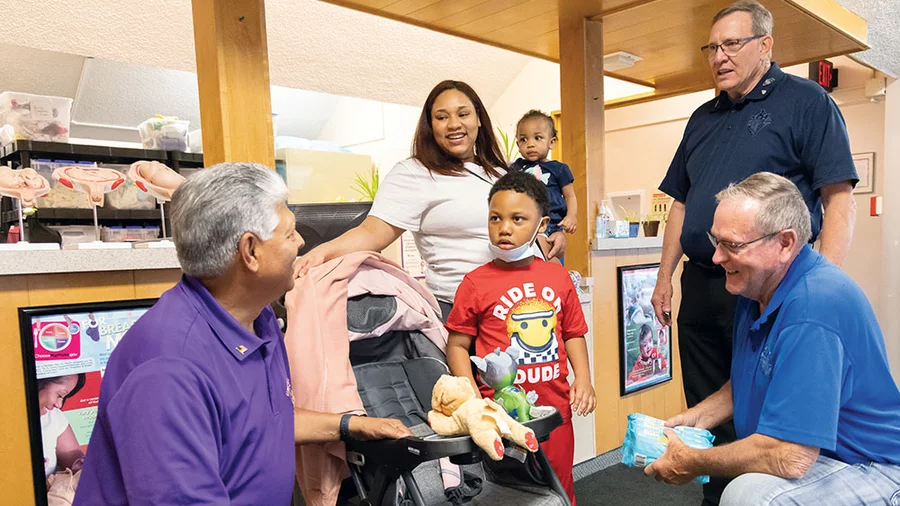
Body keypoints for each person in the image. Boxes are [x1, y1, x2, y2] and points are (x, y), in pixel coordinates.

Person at [73, 163, 411, 506]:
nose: (301, 242)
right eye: (290, 233)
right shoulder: (168, 371)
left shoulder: (257, 317)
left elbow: (261, 422)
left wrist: (349, 425)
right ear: (250, 251)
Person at [650, 2, 858, 502]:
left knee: (767, 411)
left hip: (769, 286)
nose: (719, 57)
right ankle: (714, 497)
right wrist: (664, 276)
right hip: (702, 283)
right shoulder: (701, 117)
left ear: (765, 45)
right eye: (712, 47)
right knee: (709, 406)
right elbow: (681, 202)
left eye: (732, 44)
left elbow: (838, 198)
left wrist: (817, 287)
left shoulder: (808, 102)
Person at [645, 172, 900, 505]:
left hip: (873, 467)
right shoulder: (757, 289)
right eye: (716, 240)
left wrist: (692, 461)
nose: (717, 257)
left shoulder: (814, 306)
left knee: (749, 496)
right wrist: (695, 419)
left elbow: (789, 455)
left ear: (785, 243)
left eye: (732, 245)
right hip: (822, 455)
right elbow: (750, 379)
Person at [294, 81, 567, 321]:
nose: (454, 124)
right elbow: (371, 233)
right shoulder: (414, 173)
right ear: (430, 125)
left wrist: (552, 235)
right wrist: (318, 254)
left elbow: (526, 226)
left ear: (479, 119)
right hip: (465, 312)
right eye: (441, 117)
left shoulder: (498, 170)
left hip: (525, 304)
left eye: (463, 114)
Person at [445, 171, 596, 505]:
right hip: (498, 416)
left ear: (541, 225)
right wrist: (470, 394)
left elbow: (573, 332)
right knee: (508, 493)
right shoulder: (475, 283)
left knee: (558, 488)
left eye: (517, 219)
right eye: (495, 218)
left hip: (555, 411)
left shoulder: (557, 277)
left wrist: (583, 378)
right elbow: (457, 344)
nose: (504, 228)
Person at [509, 109, 577, 264]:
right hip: (525, 225)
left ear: (551, 142)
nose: (530, 144)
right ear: (517, 144)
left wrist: (571, 216)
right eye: (524, 139)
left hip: (551, 224)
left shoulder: (559, 169)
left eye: (537, 138)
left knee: (551, 263)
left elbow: (570, 195)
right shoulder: (515, 168)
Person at [38, 374, 86, 479]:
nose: (59, 404)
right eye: (60, 395)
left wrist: (82, 465)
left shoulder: (53, 416)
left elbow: (73, 457)